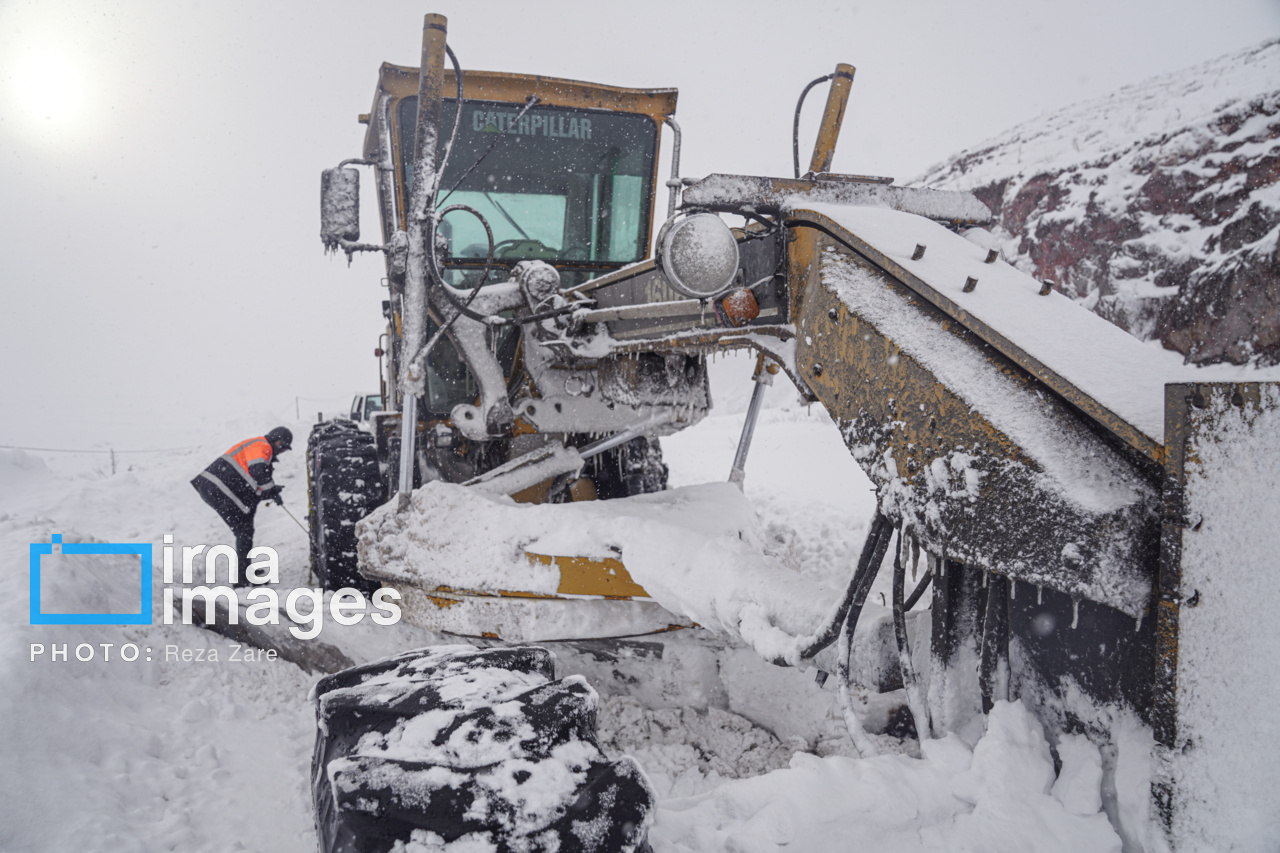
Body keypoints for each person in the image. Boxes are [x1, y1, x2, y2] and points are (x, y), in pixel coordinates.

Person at [191, 427, 292, 585]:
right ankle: (243, 579)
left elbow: (253, 481)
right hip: (217, 488)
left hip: (217, 487)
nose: (283, 451)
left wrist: (271, 492)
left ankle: (245, 572)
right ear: (278, 441)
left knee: (246, 528)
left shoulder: (260, 446)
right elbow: (258, 472)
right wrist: (272, 491)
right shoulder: (263, 446)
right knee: (244, 531)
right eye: (284, 447)